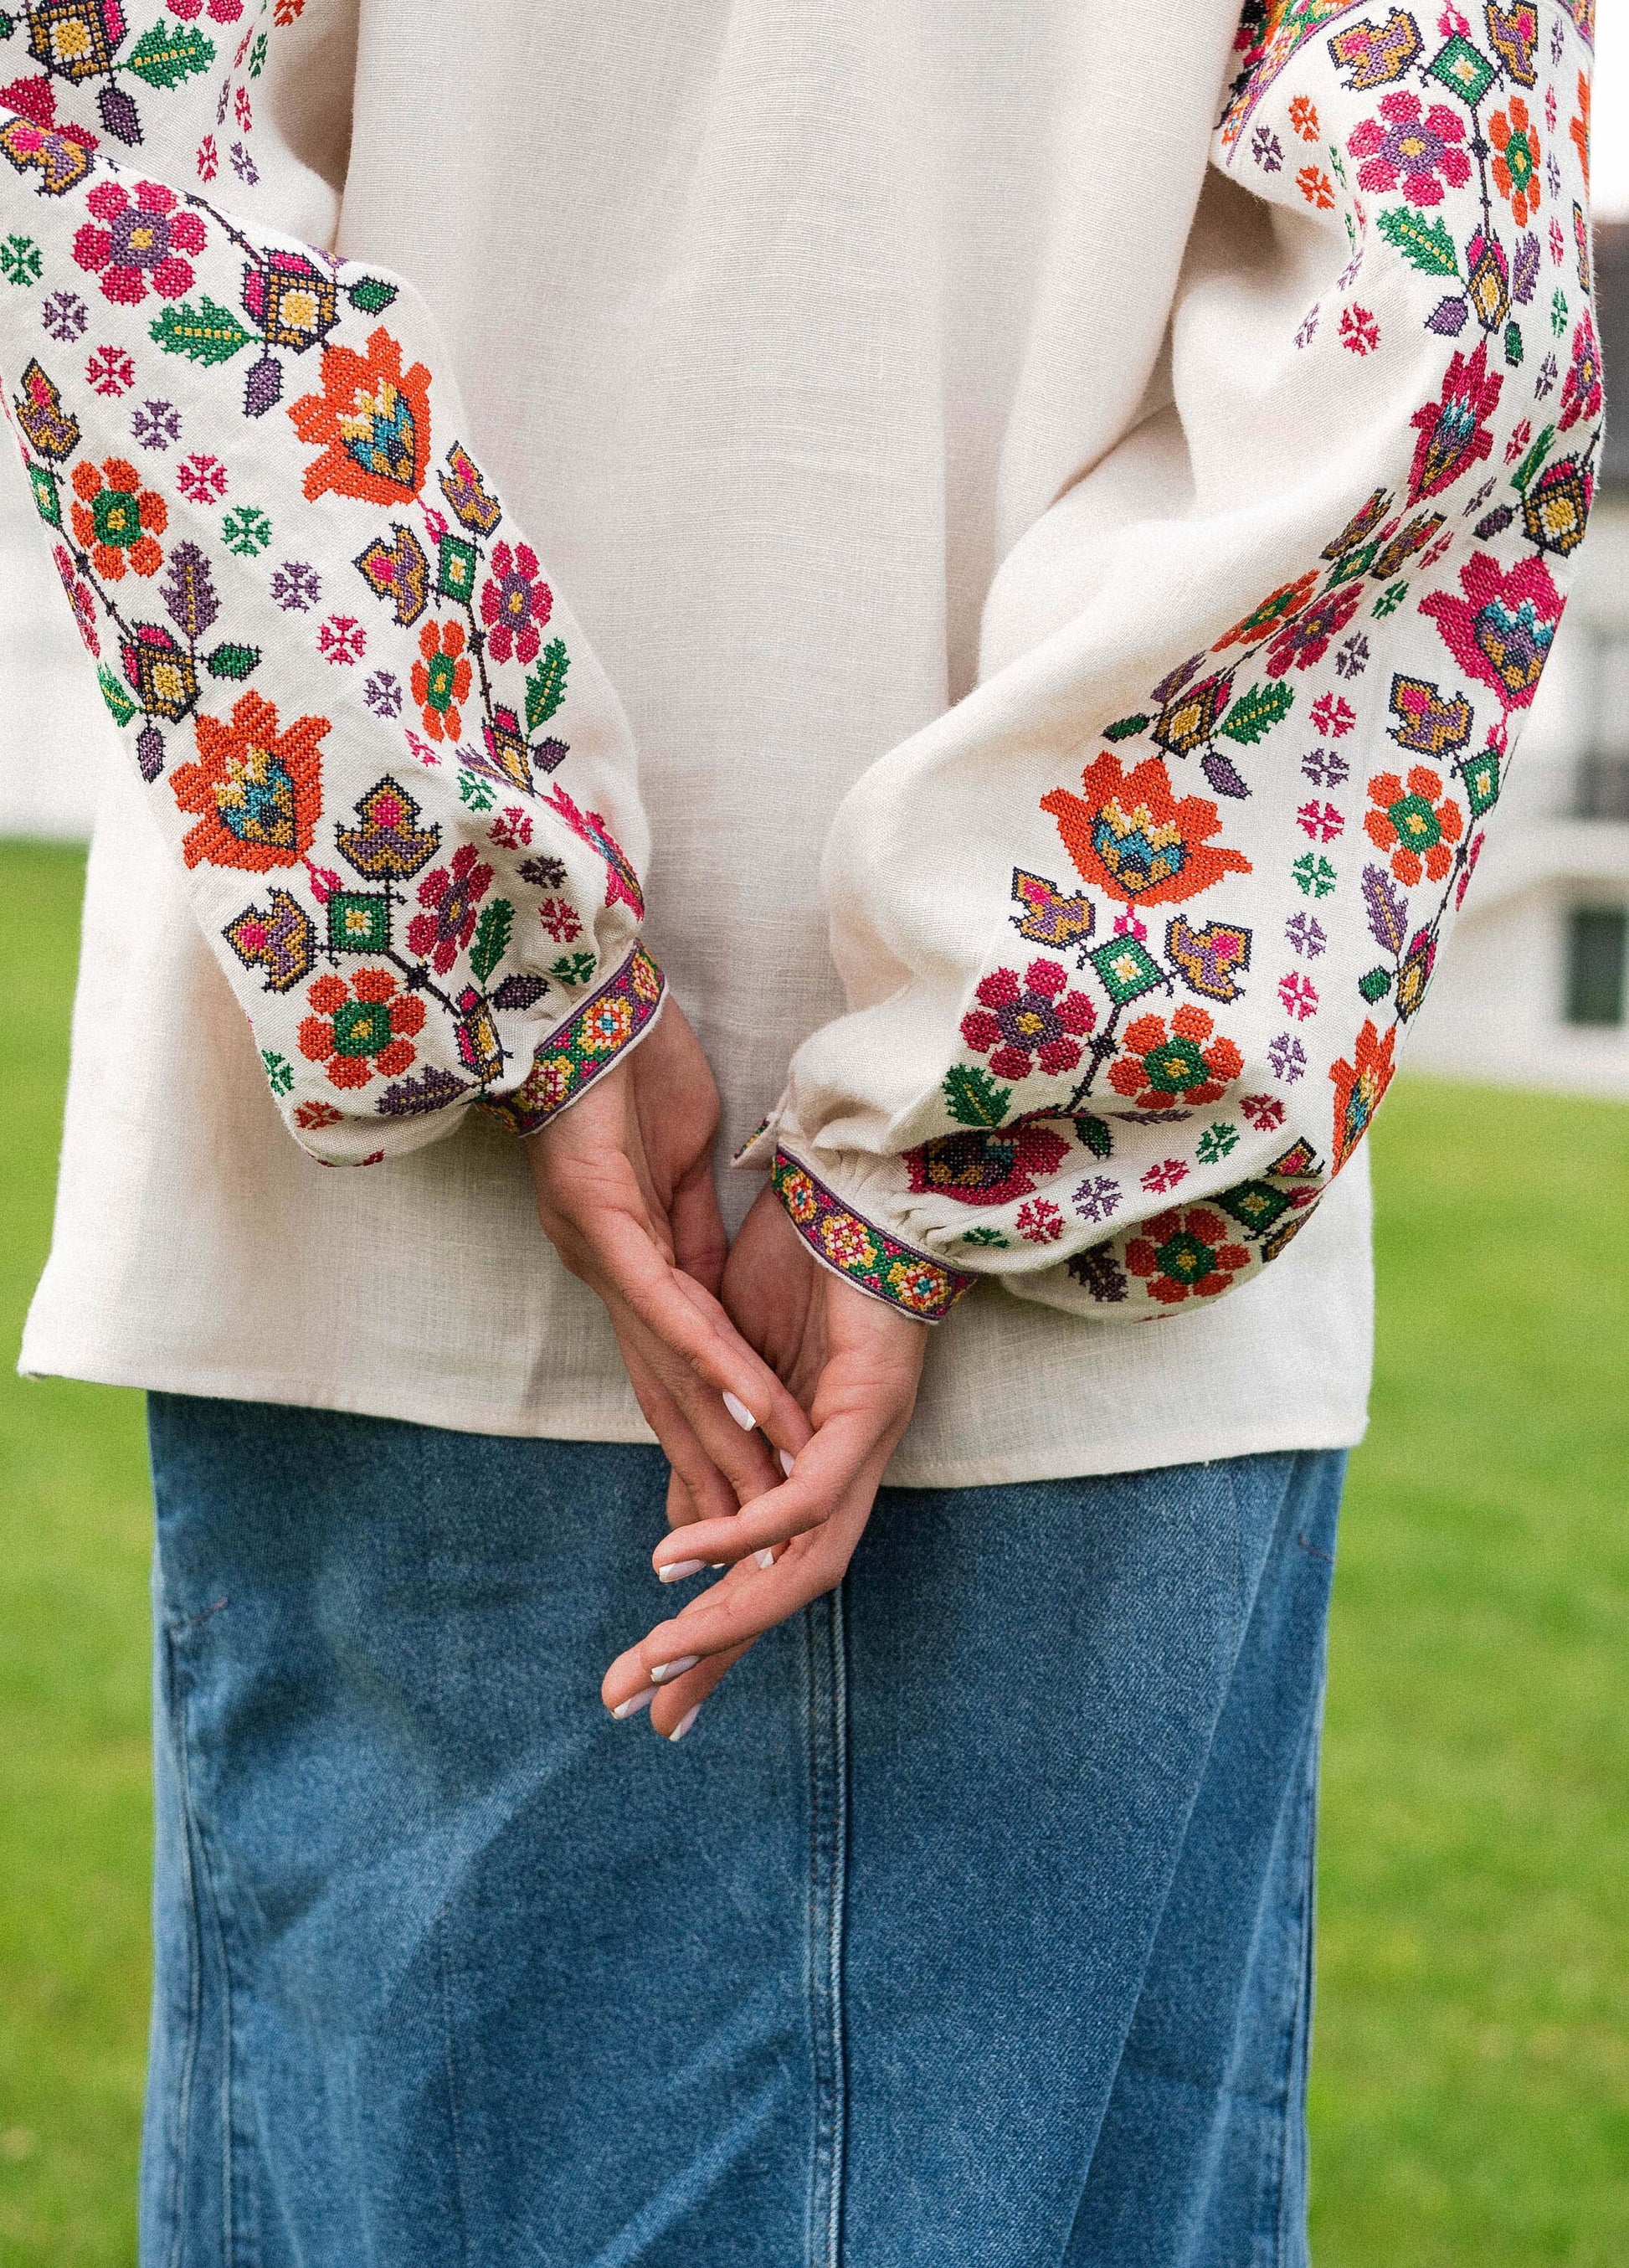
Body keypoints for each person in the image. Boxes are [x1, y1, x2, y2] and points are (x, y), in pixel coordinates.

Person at [1, 0, 1599, 2258]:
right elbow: (1432, 311)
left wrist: (519, 967)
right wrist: (972, 1086)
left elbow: (110, 160)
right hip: (1051, 1262)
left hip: (419, 1219)